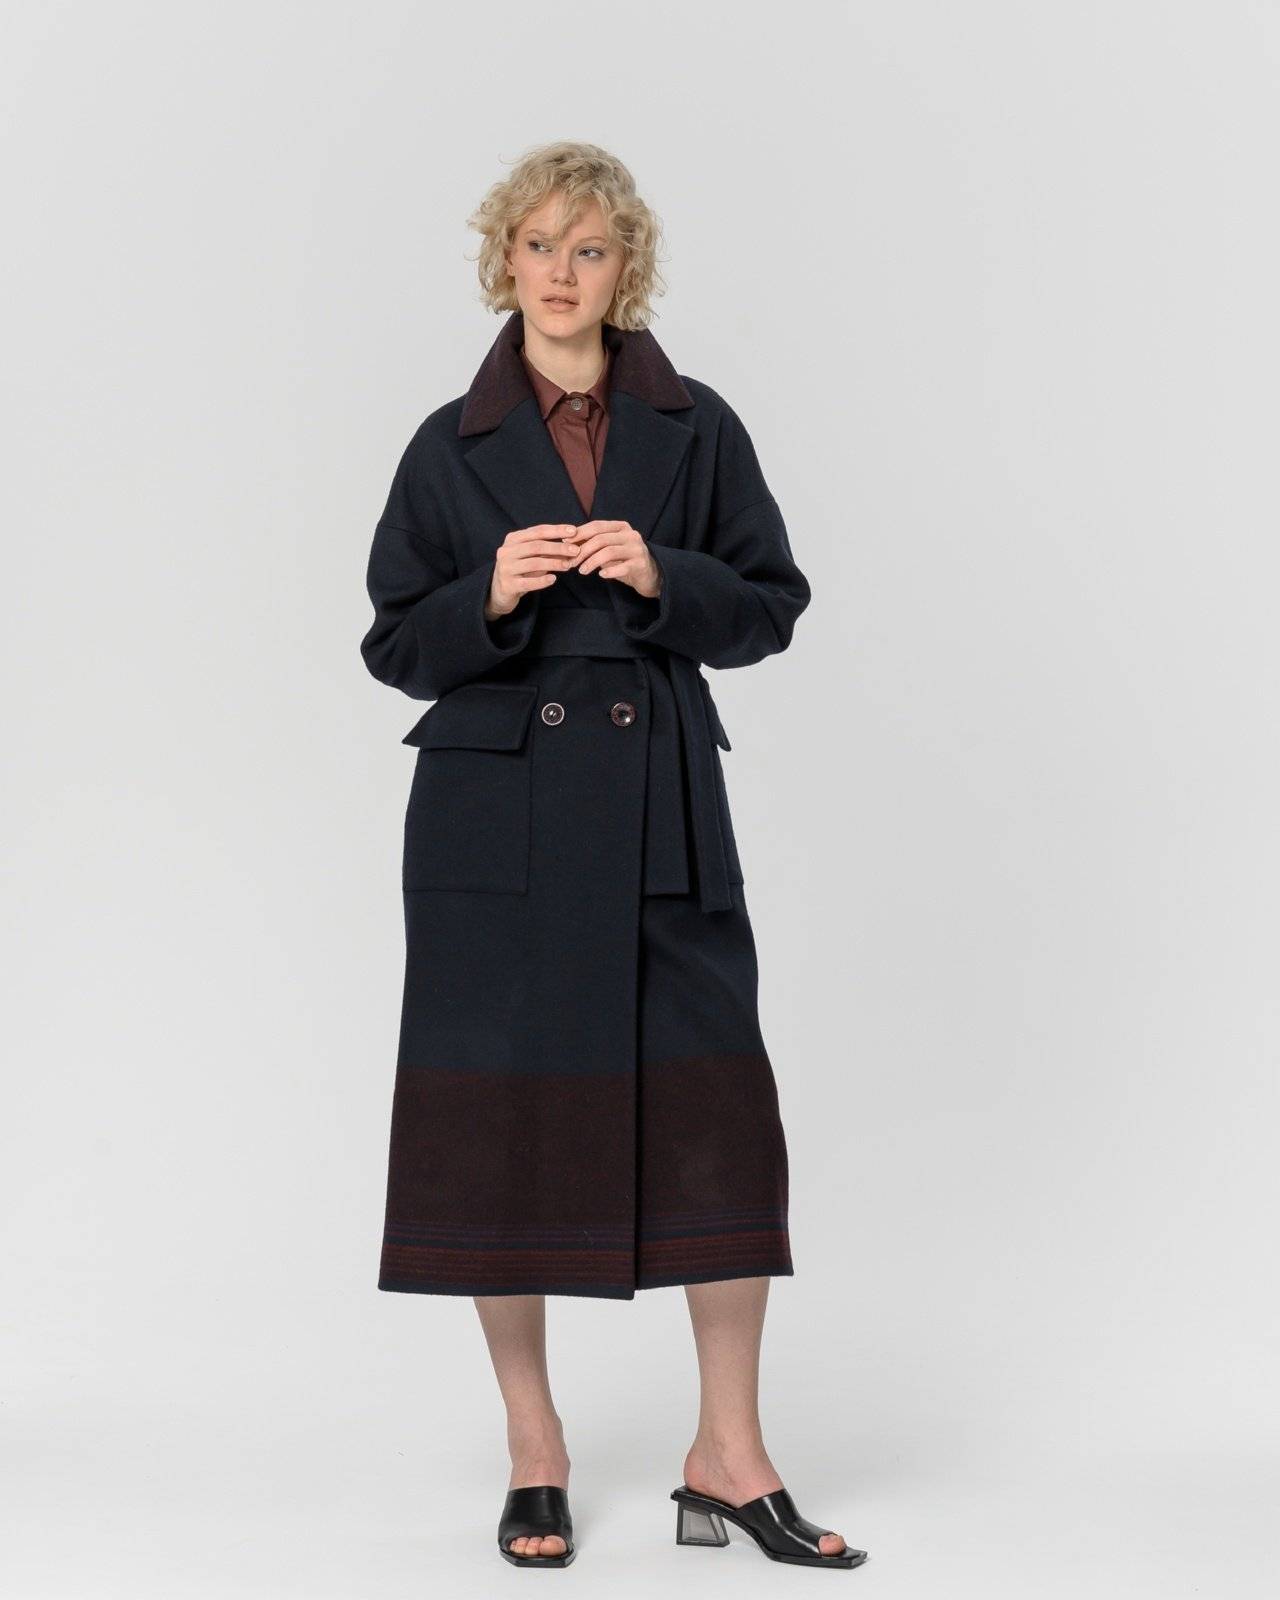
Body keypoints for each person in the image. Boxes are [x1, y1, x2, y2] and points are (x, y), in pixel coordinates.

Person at [360, 140, 865, 1571]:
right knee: (496, 1133)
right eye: (539, 246)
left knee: (717, 1119)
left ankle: (730, 1456)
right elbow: (392, 642)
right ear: (503, 260)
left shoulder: (696, 427)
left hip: (657, 811)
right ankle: (536, 1451)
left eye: (589, 249)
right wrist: (485, 599)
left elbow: (772, 603)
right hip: (496, 825)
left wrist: (664, 577)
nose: (562, 273)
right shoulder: (447, 444)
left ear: (623, 266)